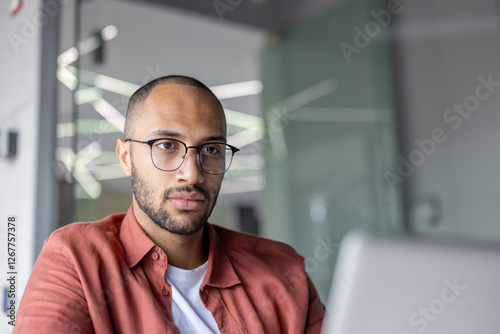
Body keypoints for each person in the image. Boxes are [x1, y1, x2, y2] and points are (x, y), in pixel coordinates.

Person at [13, 75, 325, 333]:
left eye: (212, 149)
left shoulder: (284, 270)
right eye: (166, 145)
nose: (192, 173)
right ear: (125, 158)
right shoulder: (76, 258)